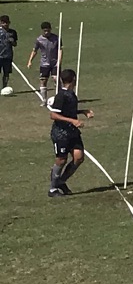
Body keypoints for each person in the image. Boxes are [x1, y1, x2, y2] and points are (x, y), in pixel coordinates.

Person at [48, 67, 89, 196]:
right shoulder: (61, 96)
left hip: (72, 133)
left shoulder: (71, 94)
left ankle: (61, 181)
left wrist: (82, 112)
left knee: (79, 157)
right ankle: (52, 189)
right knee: (61, 160)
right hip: (61, 133)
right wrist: (73, 121)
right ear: (74, 80)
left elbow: (67, 111)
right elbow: (53, 115)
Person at [34, 21, 60, 99]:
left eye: (48, 30)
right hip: (44, 63)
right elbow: (34, 50)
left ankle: (59, 97)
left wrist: (59, 61)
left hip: (54, 62)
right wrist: (30, 61)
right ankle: (44, 100)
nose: (46, 32)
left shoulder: (56, 38)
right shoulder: (39, 39)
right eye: (45, 31)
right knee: (43, 81)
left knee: (56, 78)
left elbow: (60, 50)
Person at [0, 15, 15, 94]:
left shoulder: (12, 32)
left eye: (7, 23)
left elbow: (15, 44)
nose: (5, 24)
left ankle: (4, 87)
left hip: (8, 56)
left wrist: (12, 41)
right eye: (3, 23)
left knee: (6, 73)